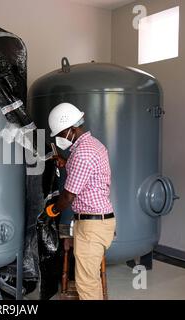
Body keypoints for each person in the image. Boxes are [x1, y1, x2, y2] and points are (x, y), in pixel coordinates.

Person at [43, 103, 116, 300]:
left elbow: (69, 195)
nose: (58, 139)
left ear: (71, 129)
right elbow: (89, 176)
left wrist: (54, 210)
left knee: (86, 282)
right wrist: (67, 163)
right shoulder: (92, 145)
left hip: (93, 224)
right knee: (90, 279)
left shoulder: (82, 153)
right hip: (96, 221)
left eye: (60, 133)